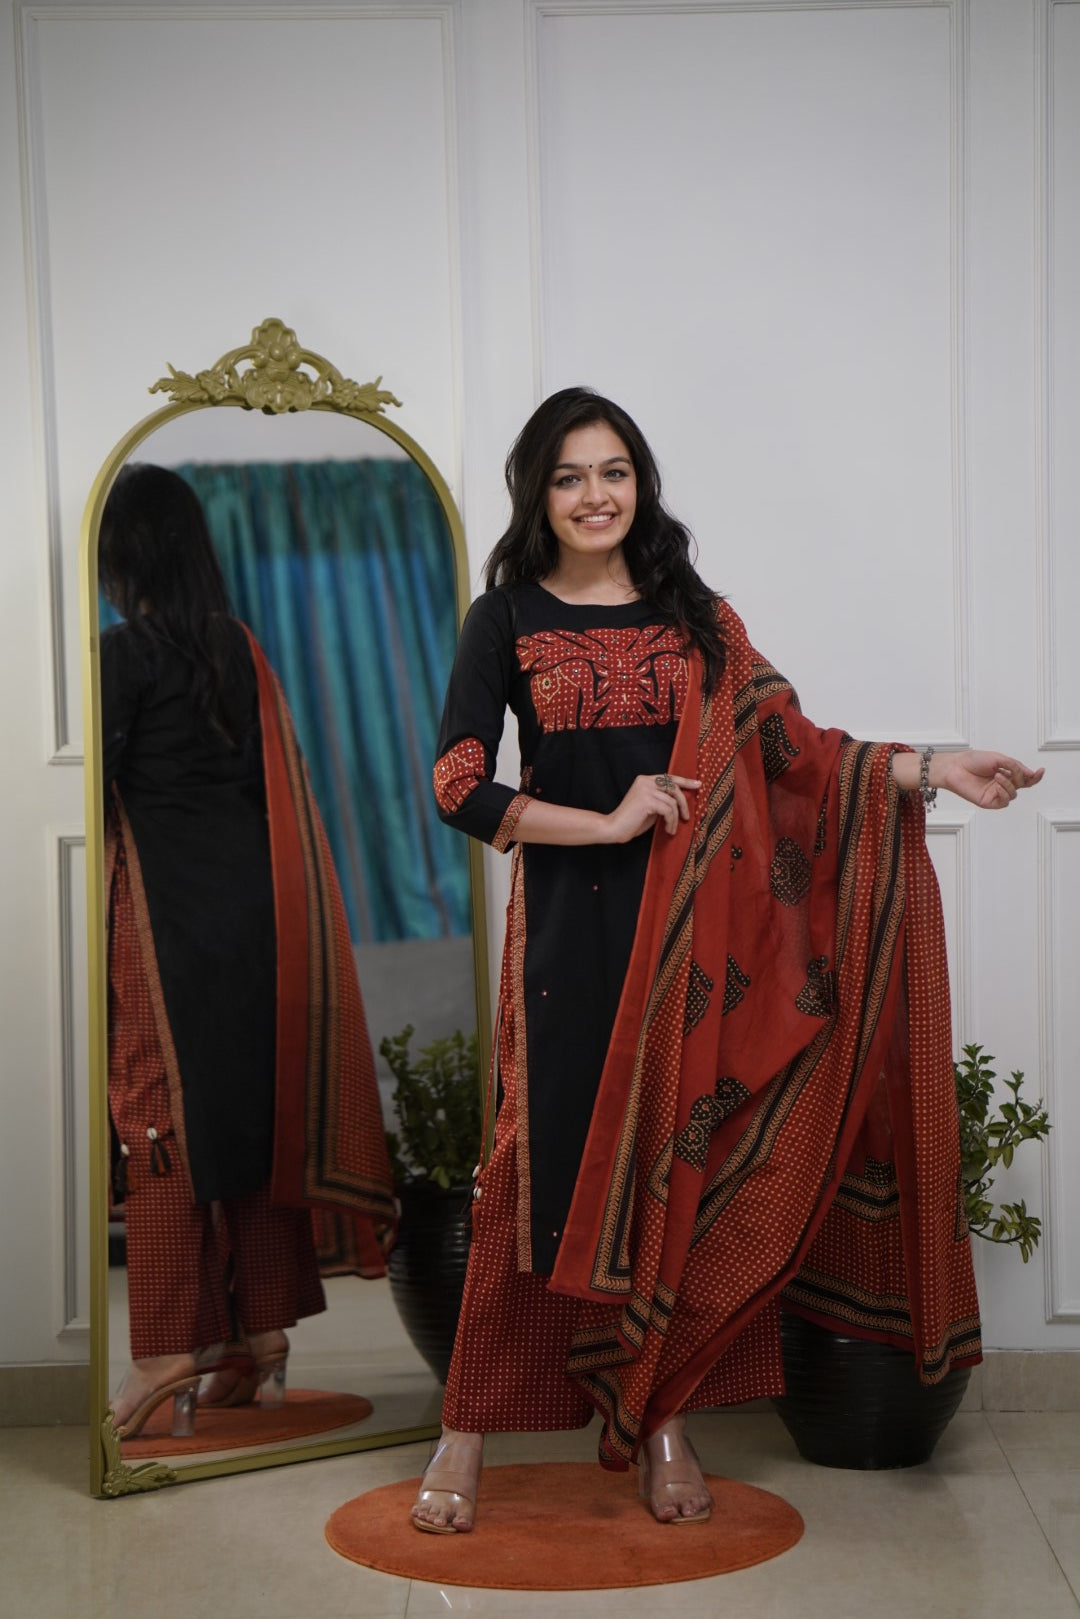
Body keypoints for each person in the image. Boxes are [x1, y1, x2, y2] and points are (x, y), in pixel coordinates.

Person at [419, 387, 1043, 1532]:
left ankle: (662, 1418)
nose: (596, 495)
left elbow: (799, 753)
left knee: (680, 1164)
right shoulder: (502, 617)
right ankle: (466, 1427)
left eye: (614, 471)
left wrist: (935, 766)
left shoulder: (696, 617)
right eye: (570, 476)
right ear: (537, 494)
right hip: (566, 935)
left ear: (641, 483)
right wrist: (606, 820)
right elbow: (459, 783)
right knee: (529, 1170)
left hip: (693, 940)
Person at [100, 464, 395, 1440]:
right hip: (264, 922)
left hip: (168, 924)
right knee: (252, 1120)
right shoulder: (240, 646)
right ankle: (258, 1338)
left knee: (158, 1118)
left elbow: (85, 796)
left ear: (122, 558)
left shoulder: (120, 655)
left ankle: (165, 1353)